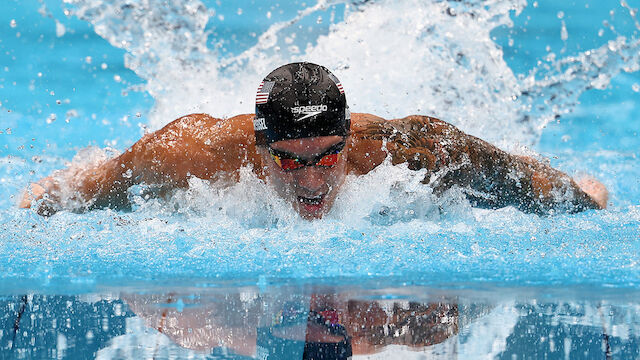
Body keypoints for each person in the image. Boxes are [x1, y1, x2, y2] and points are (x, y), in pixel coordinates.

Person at [19, 62, 608, 219]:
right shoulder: (190, 155)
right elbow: (83, 188)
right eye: (289, 160)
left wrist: (577, 195)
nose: (311, 179)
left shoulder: (403, 149)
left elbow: (508, 173)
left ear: (349, 139)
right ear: (257, 148)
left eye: (328, 156)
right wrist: (46, 195)